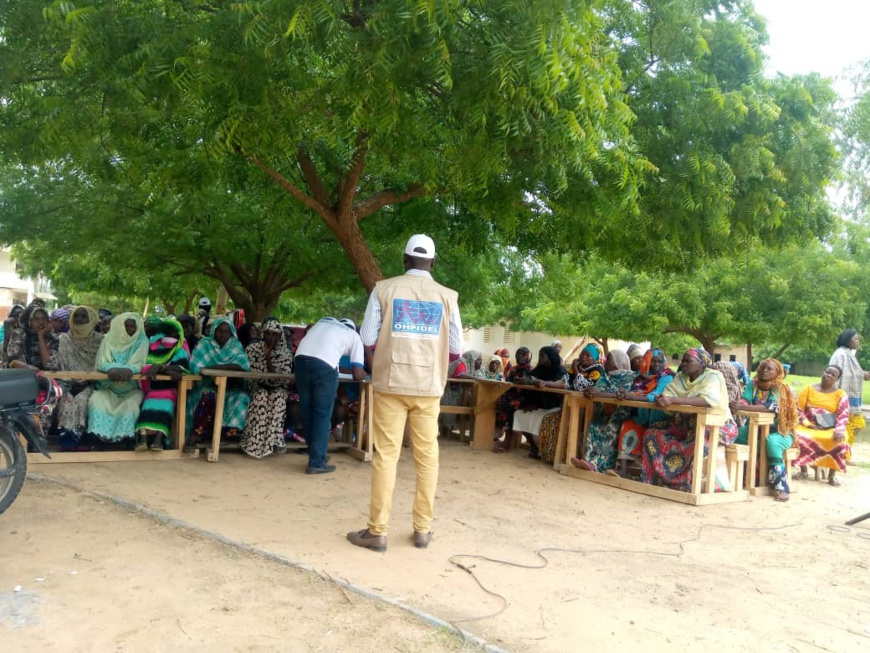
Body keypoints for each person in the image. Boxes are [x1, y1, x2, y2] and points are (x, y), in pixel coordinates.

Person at [348, 234, 462, 552]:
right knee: (428, 458)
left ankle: (377, 531)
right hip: (428, 387)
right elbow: (456, 348)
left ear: (405, 259)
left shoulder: (384, 289)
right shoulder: (447, 296)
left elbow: (367, 335)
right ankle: (422, 530)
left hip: (391, 383)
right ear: (433, 263)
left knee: (386, 456)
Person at [640, 347, 738, 492]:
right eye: (683, 360)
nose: (684, 363)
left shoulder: (713, 376)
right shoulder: (680, 377)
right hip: (685, 424)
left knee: (700, 440)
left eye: (688, 361)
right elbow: (668, 394)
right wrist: (663, 400)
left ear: (702, 363)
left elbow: (707, 400)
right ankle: (659, 481)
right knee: (653, 433)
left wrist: (673, 400)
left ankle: (689, 485)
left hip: (716, 425)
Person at [294, 316, 366, 474]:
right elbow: (357, 374)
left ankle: (316, 455)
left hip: (300, 360)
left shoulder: (323, 324)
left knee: (307, 412)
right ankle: (316, 463)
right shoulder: (354, 336)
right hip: (323, 367)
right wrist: (366, 375)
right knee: (322, 414)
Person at [737, 358, 799, 501]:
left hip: (780, 431)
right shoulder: (753, 384)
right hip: (754, 428)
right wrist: (738, 404)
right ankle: (742, 478)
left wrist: (742, 407)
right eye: (762, 368)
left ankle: (781, 486)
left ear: (778, 372)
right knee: (736, 435)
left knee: (771, 442)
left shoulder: (781, 387)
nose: (764, 371)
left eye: (769, 369)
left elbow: (769, 407)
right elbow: (744, 399)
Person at [569, 350, 637, 472]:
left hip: (621, 414)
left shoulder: (630, 377)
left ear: (617, 362)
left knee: (610, 428)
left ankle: (601, 465)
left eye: (609, 360)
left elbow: (621, 394)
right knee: (594, 425)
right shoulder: (606, 376)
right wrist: (590, 392)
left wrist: (598, 393)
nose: (605, 363)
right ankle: (590, 461)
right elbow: (597, 389)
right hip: (605, 412)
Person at [187, 317, 251, 447]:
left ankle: (221, 436)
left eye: (226, 331)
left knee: (242, 398)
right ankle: (196, 435)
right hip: (205, 385)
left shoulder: (235, 345)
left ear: (231, 333)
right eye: (219, 331)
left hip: (230, 386)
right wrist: (226, 366)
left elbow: (242, 366)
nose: (222, 334)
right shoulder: (204, 344)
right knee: (208, 396)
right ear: (213, 331)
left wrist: (214, 367)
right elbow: (196, 368)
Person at [87, 313, 150, 444]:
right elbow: (102, 363)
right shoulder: (108, 339)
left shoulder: (142, 340)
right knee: (96, 401)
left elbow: (139, 363)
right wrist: (113, 369)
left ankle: (124, 441)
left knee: (131, 406)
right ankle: (98, 441)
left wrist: (128, 370)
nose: (130, 329)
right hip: (108, 387)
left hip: (131, 389)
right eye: (126, 326)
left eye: (133, 326)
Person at [613, 348, 674, 475]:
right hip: (642, 416)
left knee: (651, 432)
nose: (657, 364)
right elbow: (633, 391)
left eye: (660, 361)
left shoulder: (667, 377)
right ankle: (622, 471)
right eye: (653, 361)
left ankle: (648, 473)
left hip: (660, 418)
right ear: (647, 361)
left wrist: (632, 396)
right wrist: (625, 393)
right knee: (628, 425)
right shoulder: (640, 378)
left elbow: (656, 396)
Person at [240, 318, 294, 459]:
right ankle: (253, 443)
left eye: (274, 334)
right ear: (263, 333)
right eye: (268, 334)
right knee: (261, 396)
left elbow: (281, 380)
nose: (271, 337)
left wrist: (267, 358)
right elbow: (251, 374)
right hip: (256, 386)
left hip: (278, 388)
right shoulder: (252, 349)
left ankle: (272, 442)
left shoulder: (286, 354)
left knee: (278, 399)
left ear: (279, 335)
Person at [134, 317, 190, 451]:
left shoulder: (180, 348)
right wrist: (164, 368)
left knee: (166, 406)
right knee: (147, 406)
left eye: (174, 332)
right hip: (153, 389)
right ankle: (142, 440)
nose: (171, 335)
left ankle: (158, 440)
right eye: (168, 331)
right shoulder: (154, 345)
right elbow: (146, 366)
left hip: (170, 389)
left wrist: (160, 367)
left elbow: (181, 369)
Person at [793, 365, 851, 486]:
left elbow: (844, 415)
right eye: (827, 372)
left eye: (833, 375)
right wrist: (808, 424)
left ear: (837, 379)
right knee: (797, 435)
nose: (828, 375)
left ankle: (832, 476)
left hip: (831, 427)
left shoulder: (841, 394)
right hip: (808, 426)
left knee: (839, 439)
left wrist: (839, 429)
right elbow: (798, 409)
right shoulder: (808, 389)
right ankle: (803, 470)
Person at [510, 346, 569, 460]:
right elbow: (532, 379)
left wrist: (541, 383)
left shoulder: (560, 370)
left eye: (542, 356)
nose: (540, 358)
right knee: (519, 414)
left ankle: (544, 450)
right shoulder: (540, 369)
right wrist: (524, 381)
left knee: (542, 419)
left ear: (550, 357)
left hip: (554, 406)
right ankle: (534, 446)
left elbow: (562, 385)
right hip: (539, 405)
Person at [57, 306, 103, 442]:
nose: (79, 319)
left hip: (93, 383)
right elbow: (60, 365)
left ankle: (79, 438)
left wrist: (87, 381)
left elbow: (102, 365)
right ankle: (67, 438)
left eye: (83, 316)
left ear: (91, 319)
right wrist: (71, 381)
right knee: (66, 399)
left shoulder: (100, 340)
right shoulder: (63, 339)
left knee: (81, 399)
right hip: (66, 382)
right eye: (76, 316)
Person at [829, 328, 869, 462]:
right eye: (855, 339)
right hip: (842, 397)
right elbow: (834, 374)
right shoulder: (839, 354)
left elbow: (851, 372)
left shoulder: (848, 354)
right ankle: (843, 453)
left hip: (851, 397)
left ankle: (844, 453)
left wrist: (863, 374)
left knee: (853, 424)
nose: (858, 341)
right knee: (857, 423)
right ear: (847, 340)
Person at [493, 346, 533, 451]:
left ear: (528, 356)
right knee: (500, 402)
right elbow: (508, 385)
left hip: (526, 398)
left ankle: (507, 442)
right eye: (518, 354)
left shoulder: (532, 371)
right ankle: (498, 432)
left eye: (523, 355)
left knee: (511, 407)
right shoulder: (513, 370)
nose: (520, 357)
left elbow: (531, 390)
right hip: (513, 396)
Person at [5, 302, 60, 372]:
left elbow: (49, 365)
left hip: (46, 379)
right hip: (20, 376)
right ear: (28, 321)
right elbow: (14, 361)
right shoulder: (19, 334)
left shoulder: (52, 337)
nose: (40, 322)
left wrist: (41, 337)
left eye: (43, 318)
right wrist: (29, 368)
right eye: (36, 319)